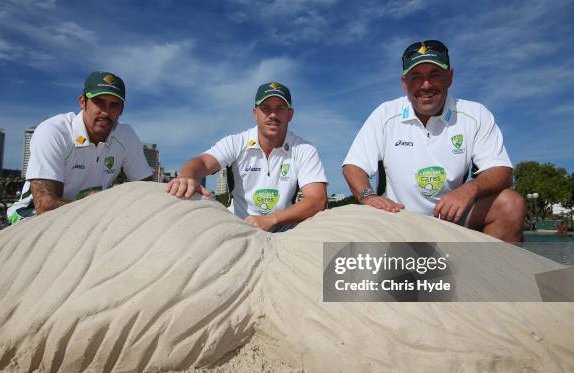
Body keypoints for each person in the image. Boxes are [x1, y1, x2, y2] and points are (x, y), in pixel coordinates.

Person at [342, 40, 525, 242]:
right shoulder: (385, 114)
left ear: (449, 77)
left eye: (435, 75)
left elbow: (501, 170)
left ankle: (489, 273)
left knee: (511, 205)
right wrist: (368, 196)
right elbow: (353, 166)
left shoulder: (476, 114)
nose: (426, 85)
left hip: (451, 220)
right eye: (416, 77)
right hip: (396, 218)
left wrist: (469, 190)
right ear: (405, 83)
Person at [166, 82, 327, 232]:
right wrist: (187, 176)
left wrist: (271, 219)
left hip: (282, 228)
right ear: (255, 113)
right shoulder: (236, 142)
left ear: (290, 114)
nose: (272, 115)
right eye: (265, 108)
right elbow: (202, 161)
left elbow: (317, 200)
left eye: (280, 109)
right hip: (238, 226)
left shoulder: (305, 149)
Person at [7, 71, 153, 224]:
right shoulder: (55, 130)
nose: (105, 112)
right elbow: (45, 205)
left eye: (114, 105)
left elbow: (147, 189)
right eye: (99, 102)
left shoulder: (125, 135)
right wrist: (98, 206)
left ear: (121, 110)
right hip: (29, 214)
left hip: (92, 214)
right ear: (83, 102)